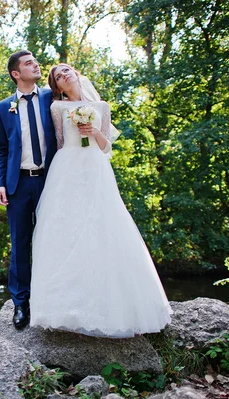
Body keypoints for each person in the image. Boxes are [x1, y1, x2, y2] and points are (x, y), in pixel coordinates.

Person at [29, 64, 172, 337]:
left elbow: (106, 147)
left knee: (103, 225)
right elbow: (59, 142)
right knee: (66, 228)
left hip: (96, 167)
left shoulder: (102, 107)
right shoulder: (57, 108)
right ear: (57, 87)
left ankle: (111, 305)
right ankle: (62, 306)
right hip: (67, 168)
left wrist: (92, 132)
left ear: (76, 73)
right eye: (58, 76)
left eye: (66, 70)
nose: (64, 75)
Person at [0, 50, 57, 329]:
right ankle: (21, 304)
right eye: (29, 63)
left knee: (52, 241)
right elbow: (0, 149)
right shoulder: (2, 108)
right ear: (16, 74)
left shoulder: (51, 97)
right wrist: (0, 184)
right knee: (20, 244)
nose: (36, 65)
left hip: (51, 181)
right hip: (18, 184)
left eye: (35, 61)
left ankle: (51, 298)